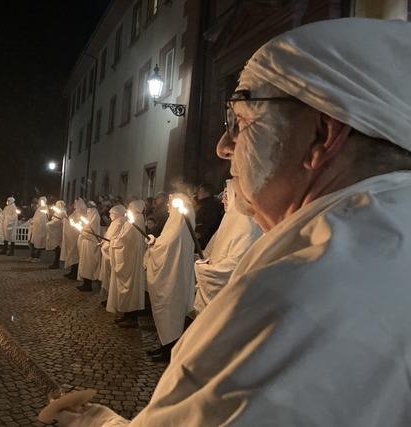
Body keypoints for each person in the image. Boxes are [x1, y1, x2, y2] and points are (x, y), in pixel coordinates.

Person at [57, 18, 411, 426]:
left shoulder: (299, 294)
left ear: (321, 135)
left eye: (241, 123)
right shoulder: (383, 243)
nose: (223, 147)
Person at [194, 180, 262, 314]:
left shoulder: (247, 225)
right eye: (224, 194)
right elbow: (211, 252)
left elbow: (236, 266)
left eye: (227, 194)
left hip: (227, 300)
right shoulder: (228, 219)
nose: (223, 200)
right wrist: (201, 258)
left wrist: (205, 270)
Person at [143, 193, 195, 362]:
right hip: (172, 274)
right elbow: (166, 243)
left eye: (170, 203)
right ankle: (165, 345)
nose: (167, 206)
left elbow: (167, 246)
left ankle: (169, 350)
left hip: (173, 277)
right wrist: (156, 241)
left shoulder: (179, 221)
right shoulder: (176, 220)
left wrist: (153, 243)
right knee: (166, 313)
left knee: (170, 312)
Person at [107, 200, 146, 328]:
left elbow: (124, 240)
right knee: (128, 289)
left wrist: (113, 242)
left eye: (130, 207)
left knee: (131, 289)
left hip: (130, 261)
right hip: (130, 259)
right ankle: (126, 315)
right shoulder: (135, 219)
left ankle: (132, 318)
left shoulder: (136, 220)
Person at [98, 204, 127, 304]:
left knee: (110, 277)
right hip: (109, 250)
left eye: (111, 213)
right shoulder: (116, 222)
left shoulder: (119, 222)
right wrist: (103, 242)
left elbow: (114, 238)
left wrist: (105, 245)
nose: (110, 215)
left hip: (112, 253)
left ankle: (111, 299)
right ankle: (109, 298)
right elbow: (108, 236)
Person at [76, 200, 101, 292]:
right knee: (84, 264)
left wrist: (82, 231)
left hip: (91, 244)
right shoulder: (91, 217)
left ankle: (88, 284)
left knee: (88, 264)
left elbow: (90, 232)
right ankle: (85, 283)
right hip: (86, 243)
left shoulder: (94, 217)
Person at [193, 183, 224, 249]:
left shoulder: (211, 206)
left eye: (200, 191)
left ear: (207, 193)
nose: (198, 193)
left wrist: (200, 233)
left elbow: (211, 222)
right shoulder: (201, 204)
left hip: (203, 239)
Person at [62, 198, 86, 279]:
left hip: (76, 236)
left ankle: (75, 273)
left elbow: (80, 224)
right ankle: (72, 271)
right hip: (72, 236)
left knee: (76, 255)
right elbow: (71, 220)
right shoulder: (75, 212)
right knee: (72, 254)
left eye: (76, 203)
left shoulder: (82, 213)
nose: (74, 204)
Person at [46, 200, 66, 269]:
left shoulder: (62, 212)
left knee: (58, 248)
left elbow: (58, 222)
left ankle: (56, 263)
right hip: (55, 233)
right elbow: (54, 219)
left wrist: (49, 224)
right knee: (56, 248)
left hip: (58, 233)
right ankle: (55, 262)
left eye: (57, 205)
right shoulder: (58, 212)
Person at [28, 196, 48, 262]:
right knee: (32, 242)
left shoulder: (44, 209)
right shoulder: (39, 208)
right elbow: (35, 217)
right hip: (35, 228)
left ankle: (37, 257)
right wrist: (32, 220)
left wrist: (34, 221)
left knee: (39, 243)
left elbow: (42, 219)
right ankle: (32, 256)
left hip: (40, 229)